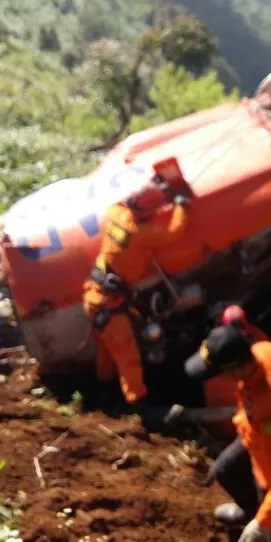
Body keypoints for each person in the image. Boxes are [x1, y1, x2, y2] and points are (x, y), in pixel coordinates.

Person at [184, 326, 271, 542]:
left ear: (237, 368)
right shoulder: (263, 351)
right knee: (226, 470)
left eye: (219, 373)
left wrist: (262, 523)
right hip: (256, 438)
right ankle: (251, 510)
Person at [82, 164, 190, 415]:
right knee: (128, 358)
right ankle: (141, 406)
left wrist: (154, 187)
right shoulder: (140, 233)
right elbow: (175, 232)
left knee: (108, 353)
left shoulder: (115, 213)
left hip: (93, 297)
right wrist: (182, 205)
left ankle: (103, 393)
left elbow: (124, 204)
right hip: (109, 305)